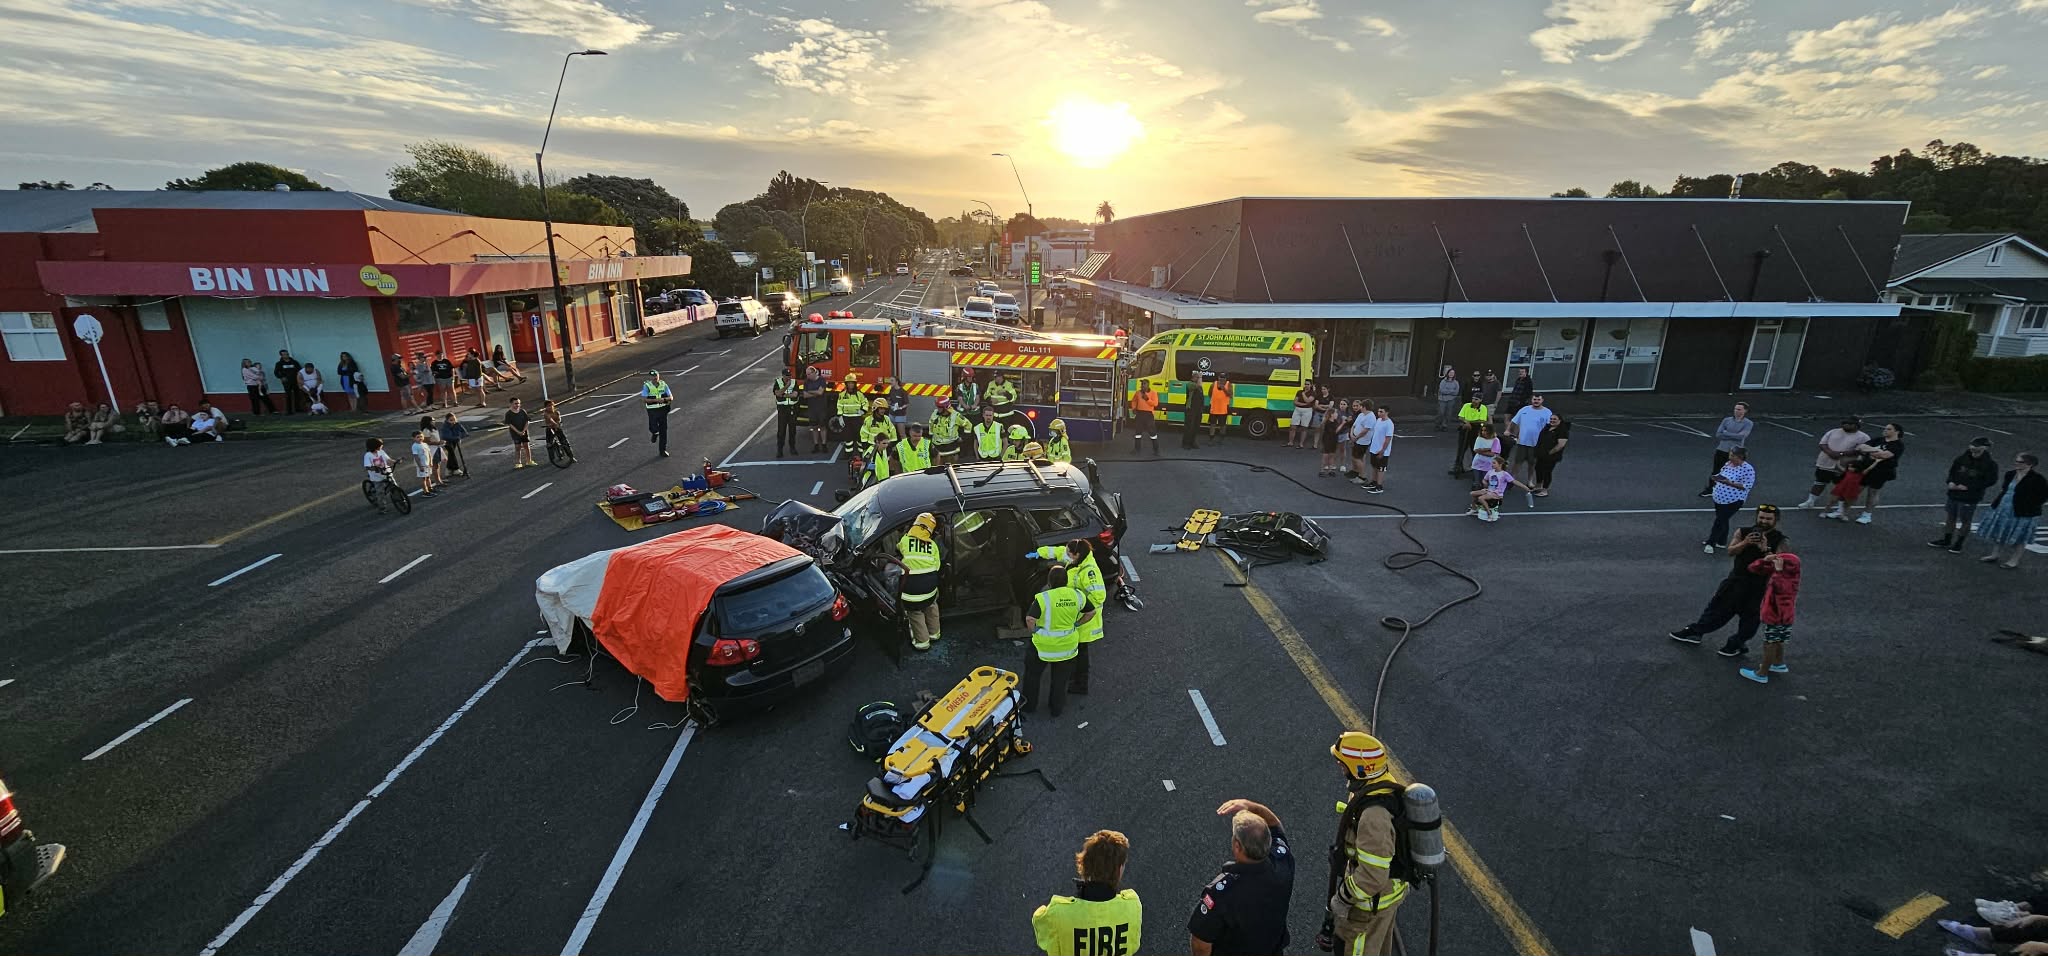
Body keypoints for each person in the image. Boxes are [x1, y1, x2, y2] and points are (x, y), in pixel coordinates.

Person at [1325, 732, 1406, 956]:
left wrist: (1342, 898)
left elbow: (1372, 876)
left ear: (1360, 768)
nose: (1340, 768)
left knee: (1356, 947)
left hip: (1368, 907)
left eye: (1343, 764)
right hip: (1383, 900)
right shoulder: (1380, 785)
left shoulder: (1374, 816)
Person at [1668, 503, 1784, 658]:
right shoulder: (1743, 532)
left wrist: (1765, 549)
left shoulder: (1781, 540)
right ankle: (1695, 632)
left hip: (1759, 586)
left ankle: (1735, 644)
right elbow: (1730, 551)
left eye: (1768, 519)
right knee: (1717, 609)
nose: (1764, 521)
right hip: (1736, 581)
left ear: (1776, 520)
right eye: (1761, 517)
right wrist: (1745, 543)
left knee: (1751, 619)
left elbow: (1780, 565)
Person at [1188, 798, 1294, 956]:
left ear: (1237, 846)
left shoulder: (1222, 894)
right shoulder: (1283, 862)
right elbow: (1275, 825)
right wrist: (1251, 806)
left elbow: (1201, 942)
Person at [1032, 829, 1142, 956]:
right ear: (1119, 869)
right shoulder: (1132, 907)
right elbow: (1133, 946)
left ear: (1084, 864)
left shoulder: (1057, 914)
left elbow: (1040, 924)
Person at [1030, 539, 1106, 695]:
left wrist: (1077, 602)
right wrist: (1039, 553)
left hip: (1085, 620)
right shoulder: (1077, 558)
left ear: (1076, 554)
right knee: (1076, 651)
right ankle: (1072, 678)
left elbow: (1099, 596)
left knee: (1082, 654)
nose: (1066, 555)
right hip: (1075, 615)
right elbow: (1058, 551)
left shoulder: (1088, 571)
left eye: (1069, 553)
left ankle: (1080, 684)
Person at [1021, 565, 1094, 718]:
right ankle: (1056, 709)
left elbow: (1030, 619)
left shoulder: (1044, 598)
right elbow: (1091, 612)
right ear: (1066, 581)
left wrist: (1034, 631)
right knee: (1060, 680)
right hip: (1067, 647)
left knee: (1032, 675)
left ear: (1049, 582)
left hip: (1042, 646)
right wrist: (1078, 624)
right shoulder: (1077, 595)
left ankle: (1029, 706)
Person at [1737, 550, 1801, 685]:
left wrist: (1777, 571)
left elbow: (1781, 589)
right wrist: (1765, 560)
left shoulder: (1785, 578)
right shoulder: (1793, 574)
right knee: (1779, 640)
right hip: (1786, 616)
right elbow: (1753, 568)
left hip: (1777, 616)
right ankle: (1778, 663)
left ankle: (1762, 673)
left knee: (1769, 643)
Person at [1976, 452, 2046, 570]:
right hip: (2004, 507)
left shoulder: (2038, 479)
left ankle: (2014, 560)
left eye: (2020, 462)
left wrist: (2027, 504)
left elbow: (2042, 497)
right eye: (2016, 461)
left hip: (2024, 512)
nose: (2016, 463)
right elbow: (2005, 489)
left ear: (2029, 464)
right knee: (2000, 531)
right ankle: (1995, 554)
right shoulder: (2010, 474)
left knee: (2020, 537)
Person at [1822, 423, 1903, 524]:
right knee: (1853, 490)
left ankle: (1867, 515)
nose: (1885, 430)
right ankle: (1841, 511)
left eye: (1889, 429)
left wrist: (1870, 451)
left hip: (1881, 472)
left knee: (1872, 492)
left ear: (1897, 432)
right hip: (1864, 469)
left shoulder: (1898, 445)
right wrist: (1876, 450)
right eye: (1885, 428)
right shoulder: (1878, 440)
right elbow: (1860, 447)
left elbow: (1884, 455)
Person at [1932, 437, 2001, 553]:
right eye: (1973, 447)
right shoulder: (1961, 459)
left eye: (1977, 448)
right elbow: (1952, 472)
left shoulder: (1990, 464)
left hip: (1970, 496)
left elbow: (1990, 481)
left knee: (1965, 519)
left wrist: (1970, 487)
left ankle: (1959, 543)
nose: (1974, 451)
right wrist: (1950, 482)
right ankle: (1946, 539)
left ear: (1985, 448)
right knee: (1950, 516)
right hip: (1954, 492)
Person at [892, 513, 943, 651]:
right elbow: (937, 567)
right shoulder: (933, 546)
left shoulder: (905, 540)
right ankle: (935, 634)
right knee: (931, 606)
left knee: (915, 614)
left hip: (912, 594)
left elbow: (898, 548)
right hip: (931, 590)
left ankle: (922, 643)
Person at [1798, 416, 1870, 508]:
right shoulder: (1833, 431)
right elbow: (1822, 444)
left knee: (1842, 486)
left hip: (1844, 466)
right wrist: (1830, 453)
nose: (1845, 425)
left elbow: (1861, 451)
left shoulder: (1863, 437)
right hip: (1825, 463)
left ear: (1856, 425)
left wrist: (1840, 454)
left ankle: (1840, 508)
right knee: (1819, 482)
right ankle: (1810, 502)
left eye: (1849, 424)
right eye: (1844, 423)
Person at [1703, 447, 1756, 553]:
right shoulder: (1728, 464)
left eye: (1732, 455)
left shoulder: (1748, 469)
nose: (1729, 457)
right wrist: (1717, 478)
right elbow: (1722, 474)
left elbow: (1747, 486)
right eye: (1730, 455)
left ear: (1740, 457)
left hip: (1734, 500)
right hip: (1719, 496)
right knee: (1723, 519)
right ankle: (1722, 541)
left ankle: (1711, 543)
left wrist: (1729, 483)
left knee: (1720, 520)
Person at [1697, 402, 1754, 497]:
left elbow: (1742, 437)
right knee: (1716, 471)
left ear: (1745, 411)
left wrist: (1726, 433)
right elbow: (1718, 434)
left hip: (1736, 452)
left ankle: (1731, 490)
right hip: (1722, 449)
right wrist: (1733, 435)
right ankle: (1711, 489)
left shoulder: (1748, 423)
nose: (1736, 411)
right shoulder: (1727, 420)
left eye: (1739, 409)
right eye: (1735, 409)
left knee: (1734, 472)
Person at [1470, 456, 1531, 522]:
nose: (1492, 464)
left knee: (1481, 498)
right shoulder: (1490, 472)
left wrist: (1525, 487)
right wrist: (1485, 484)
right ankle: (1474, 508)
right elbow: (1484, 480)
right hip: (1489, 491)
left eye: (1494, 463)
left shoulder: (1504, 474)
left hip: (1497, 494)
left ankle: (1489, 514)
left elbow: (1514, 481)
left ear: (1500, 464)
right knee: (1472, 493)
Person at [1507, 394, 1550, 484]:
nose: (1536, 401)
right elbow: (1514, 421)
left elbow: (1549, 427)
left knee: (1532, 464)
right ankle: (1511, 479)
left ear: (1542, 400)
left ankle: (1530, 481)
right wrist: (1508, 430)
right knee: (1517, 462)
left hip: (1536, 443)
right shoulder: (1524, 409)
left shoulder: (1547, 412)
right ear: (1531, 400)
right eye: (1534, 399)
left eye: (1538, 399)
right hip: (1522, 441)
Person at [1532, 410, 1570, 496]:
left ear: (1560, 420)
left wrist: (1550, 452)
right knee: (1538, 468)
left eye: (1555, 419)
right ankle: (1538, 486)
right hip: (1541, 454)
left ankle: (1545, 490)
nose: (1552, 420)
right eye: (1551, 419)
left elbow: (1560, 445)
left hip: (1551, 456)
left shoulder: (1562, 430)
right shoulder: (1547, 427)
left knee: (1547, 471)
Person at [1450, 391, 1489, 477]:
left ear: (1480, 400)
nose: (1474, 401)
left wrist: (1469, 422)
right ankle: (1458, 467)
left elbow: (1482, 420)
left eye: (1476, 399)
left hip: (1476, 429)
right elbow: (1460, 416)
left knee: (1474, 449)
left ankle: (1476, 468)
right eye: (1473, 399)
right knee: (1461, 449)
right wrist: (1466, 422)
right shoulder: (1466, 405)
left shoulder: (1483, 408)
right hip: (1465, 428)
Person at [860, 399, 899, 481]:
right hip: (872, 449)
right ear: (875, 409)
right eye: (881, 408)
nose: (883, 411)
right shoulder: (868, 420)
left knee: (884, 465)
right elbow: (863, 433)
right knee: (870, 468)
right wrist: (865, 445)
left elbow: (892, 431)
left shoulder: (887, 420)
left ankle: (884, 480)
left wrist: (892, 443)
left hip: (884, 448)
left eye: (884, 409)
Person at [1362, 406, 1394, 494]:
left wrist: (1383, 450)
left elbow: (1388, 438)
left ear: (1386, 412)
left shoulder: (1389, 424)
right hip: (1374, 448)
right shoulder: (1378, 421)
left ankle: (1379, 486)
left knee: (1381, 468)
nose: (1379, 413)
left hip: (1382, 450)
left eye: (1381, 411)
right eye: (1378, 411)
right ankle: (1374, 482)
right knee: (1374, 466)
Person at [641, 369, 672, 458]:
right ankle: (654, 433)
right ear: (650, 377)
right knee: (653, 427)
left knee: (663, 431)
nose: (654, 378)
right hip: (652, 410)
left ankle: (663, 450)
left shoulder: (663, 384)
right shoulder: (647, 386)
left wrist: (665, 399)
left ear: (658, 376)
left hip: (663, 409)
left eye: (656, 376)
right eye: (653, 376)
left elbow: (671, 397)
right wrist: (656, 400)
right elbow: (644, 399)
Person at [929, 397, 969, 465]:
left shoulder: (955, 416)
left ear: (945, 407)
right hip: (937, 449)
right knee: (936, 471)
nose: (937, 409)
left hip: (951, 451)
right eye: (937, 406)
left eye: (939, 407)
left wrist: (963, 437)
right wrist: (931, 438)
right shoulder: (935, 413)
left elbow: (968, 425)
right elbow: (931, 424)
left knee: (950, 471)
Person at [772, 369, 802, 457]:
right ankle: (780, 449)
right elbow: (777, 393)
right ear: (783, 375)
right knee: (781, 431)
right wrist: (786, 387)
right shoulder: (778, 382)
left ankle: (792, 448)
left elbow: (795, 394)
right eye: (786, 376)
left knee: (792, 430)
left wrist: (784, 395)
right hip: (782, 410)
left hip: (792, 409)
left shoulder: (794, 382)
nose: (788, 377)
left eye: (789, 375)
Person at [363, 437, 396, 512]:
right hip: (377, 477)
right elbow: (368, 467)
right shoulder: (368, 455)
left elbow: (388, 459)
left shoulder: (381, 451)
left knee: (394, 486)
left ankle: (401, 500)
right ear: (375, 446)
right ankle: (382, 508)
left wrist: (395, 461)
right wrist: (375, 468)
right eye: (380, 445)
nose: (382, 446)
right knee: (380, 492)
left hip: (386, 472)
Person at [803, 366, 831, 453]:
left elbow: (820, 392)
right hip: (812, 408)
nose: (807, 376)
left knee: (822, 426)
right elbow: (805, 395)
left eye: (809, 374)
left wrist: (810, 391)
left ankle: (824, 444)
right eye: (806, 374)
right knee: (814, 427)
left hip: (821, 407)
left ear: (814, 372)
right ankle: (816, 445)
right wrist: (815, 393)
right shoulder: (806, 382)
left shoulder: (821, 380)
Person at [1468, 423, 1502, 492]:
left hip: (1488, 465)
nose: (1483, 432)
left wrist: (1481, 450)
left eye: (1485, 431)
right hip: (1477, 464)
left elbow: (1492, 454)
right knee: (1477, 483)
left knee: (1485, 482)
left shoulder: (1496, 440)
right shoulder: (1479, 438)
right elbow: (1475, 450)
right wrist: (1488, 449)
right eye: (1482, 430)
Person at [835, 372, 867, 445]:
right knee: (848, 439)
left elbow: (865, 403)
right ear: (846, 384)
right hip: (846, 418)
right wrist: (840, 417)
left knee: (859, 438)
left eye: (852, 383)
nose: (850, 385)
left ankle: (860, 454)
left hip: (857, 418)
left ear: (855, 384)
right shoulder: (842, 394)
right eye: (849, 383)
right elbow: (839, 405)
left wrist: (863, 411)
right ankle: (848, 454)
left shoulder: (859, 394)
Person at [1130, 380, 1160, 454]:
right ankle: (1137, 449)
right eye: (1142, 384)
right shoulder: (1138, 393)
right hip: (1140, 413)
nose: (1143, 385)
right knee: (1138, 432)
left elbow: (1155, 404)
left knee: (1152, 432)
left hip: (1149, 414)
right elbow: (1134, 401)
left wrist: (1147, 399)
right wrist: (1134, 408)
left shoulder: (1153, 393)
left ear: (1148, 385)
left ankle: (1156, 450)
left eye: (1144, 384)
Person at [1346, 400, 1373, 480]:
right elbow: (1354, 425)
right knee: (1354, 457)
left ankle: (1362, 476)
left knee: (1358, 458)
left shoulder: (1370, 417)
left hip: (1362, 441)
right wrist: (1351, 435)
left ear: (1364, 407)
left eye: (1361, 406)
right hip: (1355, 439)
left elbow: (1365, 430)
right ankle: (1355, 472)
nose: (1359, 408)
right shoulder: (1361, 414)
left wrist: (1356, 437)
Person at [504, 398, 535, 468]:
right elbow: (510, 424)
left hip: (524, 432)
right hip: (515, 433)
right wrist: (518, 432)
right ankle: (518, 462)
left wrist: (524, 431)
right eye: (515, 403)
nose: (517, 405)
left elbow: (527, 421)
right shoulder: (508, 414)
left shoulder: (522, 411)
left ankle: (529, 461)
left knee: (526, 446)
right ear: (511, 404)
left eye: (518, 403)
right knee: (518, 447)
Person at [1318, 402, 1347, 477]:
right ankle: (1322, 470)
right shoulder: (1327, 422)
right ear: (1331, 414)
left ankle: (1330, 469)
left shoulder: (1335, 421)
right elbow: (1335, 431)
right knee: (1326, 455)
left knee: (1332, 455)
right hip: (1327, 440)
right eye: (1336, 413)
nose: (1337, 414)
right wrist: (1343, 423)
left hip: (1334, 440)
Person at [417, 415, 448, 484]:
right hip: (431, 449)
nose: (434, 422)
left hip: (437, 448)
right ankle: (437, 481)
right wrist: (438, 442)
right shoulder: (426, 430)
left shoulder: (433, 429)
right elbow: (427, 441)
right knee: (435, 465)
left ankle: (438, 479)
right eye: (432, 421)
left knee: (437, 464)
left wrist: (440, 442)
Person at [439, 413, 470, 478]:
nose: (453, 421)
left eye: (454, 419)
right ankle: (455, 468)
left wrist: (460, 436)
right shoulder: (445, 426)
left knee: (451, 454)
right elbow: (446, 436)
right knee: (452, 453)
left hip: (455, 441)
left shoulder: (458, 424)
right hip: (447, 442)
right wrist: (457, 437)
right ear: (447, 420)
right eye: (451, 420)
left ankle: (449, 469)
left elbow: (464, 432)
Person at [410, 429, 439, 497]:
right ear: (414, 438)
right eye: (418, 437)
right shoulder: (415, 446)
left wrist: (431, 462)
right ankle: (425, 492)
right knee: (424, 478)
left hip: (427, 464)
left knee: (428, 477)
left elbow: (429, 453)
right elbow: (416, 456)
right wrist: (420, 466)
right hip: (422, 465)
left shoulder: (425, 444)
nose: (420, 438)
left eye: (421, 436)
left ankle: (430, 488)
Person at [1288, 382, 1317, 447]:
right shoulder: (1299, 391)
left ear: (1311, 385)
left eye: (1308, 384)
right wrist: (1303, 404)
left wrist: (1303, 394)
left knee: (1304, 427)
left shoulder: (1313, 393)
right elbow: (1295, 402)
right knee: (1293, 426)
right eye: (1305, 384)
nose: (1306, 385)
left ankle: (1301, 444)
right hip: (1297, 410)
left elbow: (1308, 401)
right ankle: (1290, 442)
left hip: (1307, 411)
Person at [274, 349, 303, 414]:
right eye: (284, 354)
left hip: (295, 381)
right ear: (281, 355)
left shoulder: (294, 362)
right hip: (286, 382)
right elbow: (276, 372)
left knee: (297, 395)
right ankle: (289, 410)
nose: (286, 355)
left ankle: (298, 408)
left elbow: (300, 370)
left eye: (287, 354)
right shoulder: (279, 363)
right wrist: (281, 377)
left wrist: (299, 378)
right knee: (288, 395)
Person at [1206, 372, 1233, 444]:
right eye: (1221, 377)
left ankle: (1221, 438)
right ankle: (1211, 439)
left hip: (1223, 409)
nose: (1222, 379)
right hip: (1214, 408)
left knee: (1222, 425)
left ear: (1226, 378)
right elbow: (1209, 394)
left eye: (1223, 378)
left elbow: (1230, 395)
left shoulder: (1229, 384)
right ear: (1218, 377)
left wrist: (1224, 388)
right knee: (1212, 424)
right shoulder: (1213, 384)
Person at [1433, 366, 1460, 431]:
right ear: (1448, 373)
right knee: (1441, 413)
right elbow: (1442, 390)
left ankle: (1444, 425)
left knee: (1448, 413)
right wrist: (1451, 391)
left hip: (1451, 400)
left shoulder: (1456, 383)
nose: (1451, 374)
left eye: (1453, 373)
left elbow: (1456, 392)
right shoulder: (1443, 381)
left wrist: (1448, 391)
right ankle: (1437, 424)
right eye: (1450, 372)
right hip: (1442, 399)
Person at [1180, 378, 1204, 450]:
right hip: (1190, 409)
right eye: (1197, 377)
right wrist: (1200, 378)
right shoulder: (1190, 384)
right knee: (1189, 427)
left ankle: (1192, 442)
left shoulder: (1198, 386)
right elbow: (1198, 385)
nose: (1198, 379)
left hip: (1198, 409)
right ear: (1193, 378)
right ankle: (1186, 443)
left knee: (1196, 427)